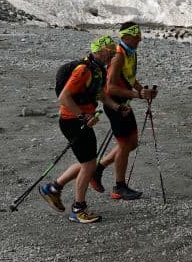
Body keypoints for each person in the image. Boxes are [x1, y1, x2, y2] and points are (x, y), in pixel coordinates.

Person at [39, 35, 121, 223]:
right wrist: (83, 116)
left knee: (88, 163)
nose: (112, 57)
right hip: (73, 121)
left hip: (79, 121)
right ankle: (78, 209)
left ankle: (52, 188)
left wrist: (117, 107)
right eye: (110, 52)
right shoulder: (83, 70)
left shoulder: (98, 70)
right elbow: (64, 97)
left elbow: (99, 94)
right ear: (100, 51)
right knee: (89, 165)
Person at [94, 22, 157, 200]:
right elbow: (110, 87)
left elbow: (130, 77)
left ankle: (99, 169)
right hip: (114, 105)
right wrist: (138, 95)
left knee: (132, 143)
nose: (139, 41)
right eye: (136, 38)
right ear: (125, 37)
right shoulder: (118, 56)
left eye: (140, 38)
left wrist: (143, 91)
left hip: (124, 103)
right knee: (124, 144)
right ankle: (119, 187)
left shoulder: (131, 53)